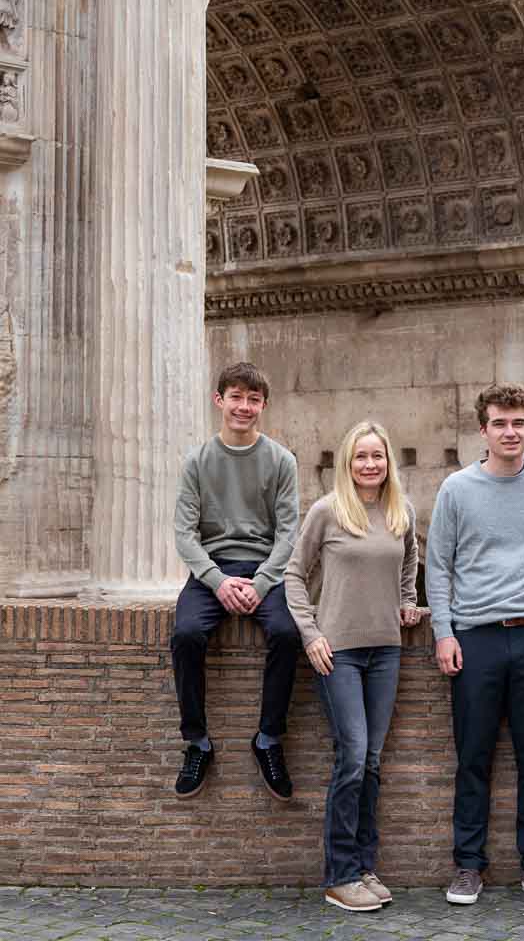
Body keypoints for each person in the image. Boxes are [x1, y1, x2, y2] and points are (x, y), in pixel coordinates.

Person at [425, 382, 524, 908]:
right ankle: (468, 866)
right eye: (499, 423)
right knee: (473, 757)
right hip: (475, 638)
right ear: (483, 429)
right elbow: (438, 565)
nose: (509, 432)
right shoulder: (456, 489)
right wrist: (443, 631)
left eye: (518, 423)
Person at [285, 421, 420, 913]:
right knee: (353, 756)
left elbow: (409, 563)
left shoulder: (400, 511)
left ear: (388, 463)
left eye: (377, 457)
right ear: (347, 463)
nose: (369, 464)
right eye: (360, 456)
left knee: (373, 762)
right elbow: (293, 576)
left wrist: (407, 600)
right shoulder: (326, 511)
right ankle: (339, 875)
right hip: (337, 652)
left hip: (386, 650)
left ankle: (364, 866)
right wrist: (311, 633)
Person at [171, 362, 301, 801]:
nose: (244, 407)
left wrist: (261, 584)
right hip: (212, 569)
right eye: (236, 397)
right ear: (219, 400)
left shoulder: (281, 460)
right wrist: (218, 581)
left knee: (286, 633)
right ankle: (197, 742)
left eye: (253, 399)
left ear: (263, 404)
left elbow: (288, 534)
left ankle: (268, 738)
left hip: (267, 568)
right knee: (187, 634)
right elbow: (185, 535)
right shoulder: (197, 461)